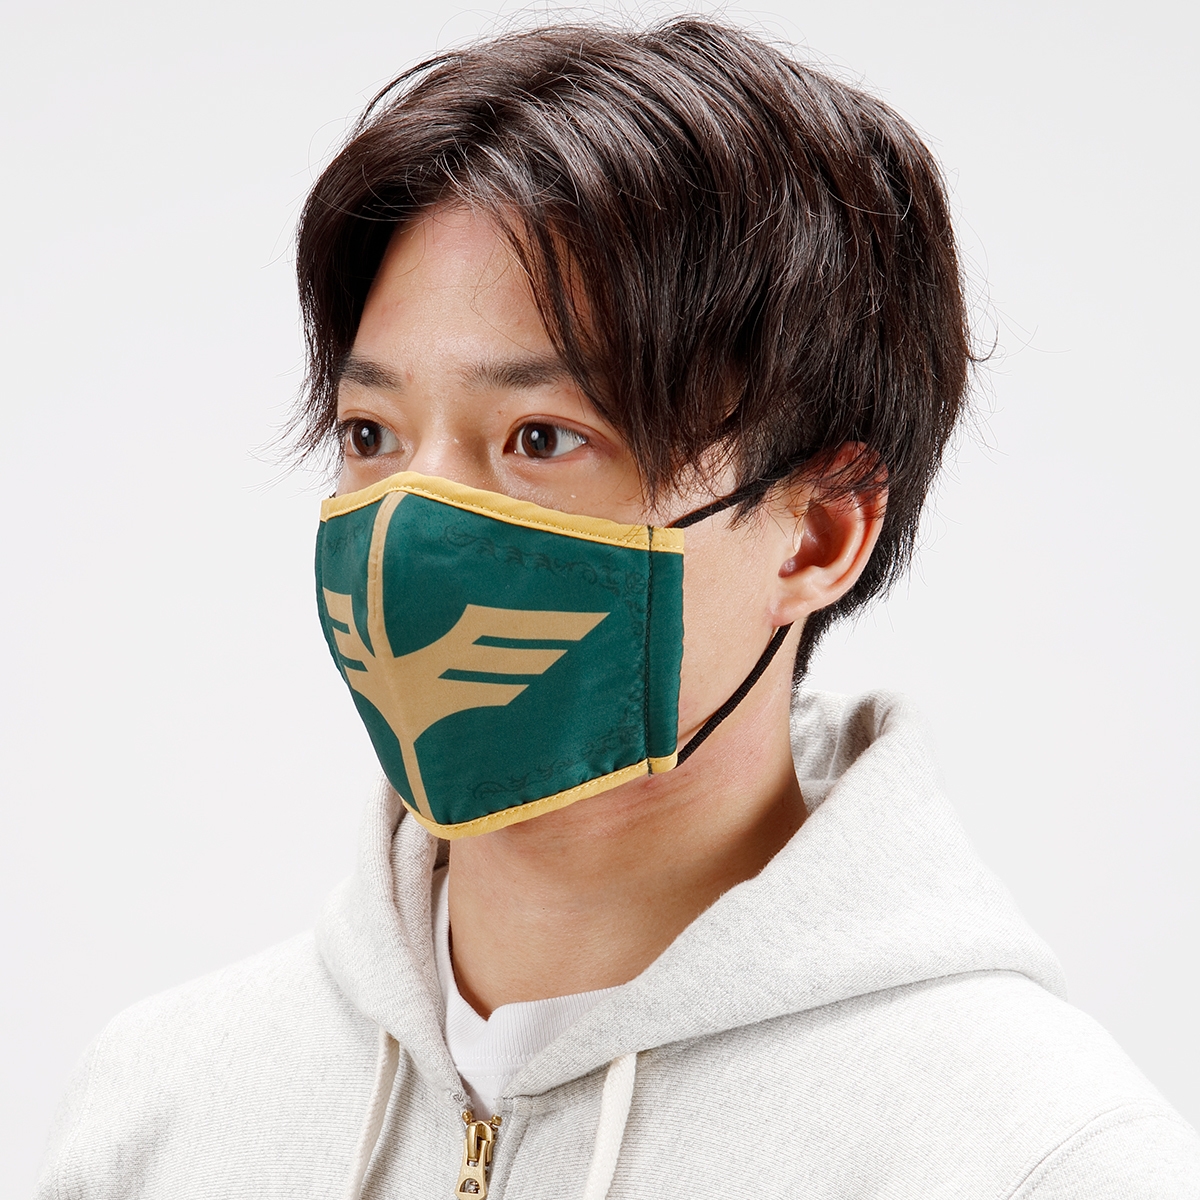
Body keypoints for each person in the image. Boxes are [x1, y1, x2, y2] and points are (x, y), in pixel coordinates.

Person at [35, 18, 1200, 1199]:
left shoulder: (1037, 1158)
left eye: (541, 437)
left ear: (821, 529)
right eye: (370, 434)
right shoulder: (161, 1110)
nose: (408, 532)